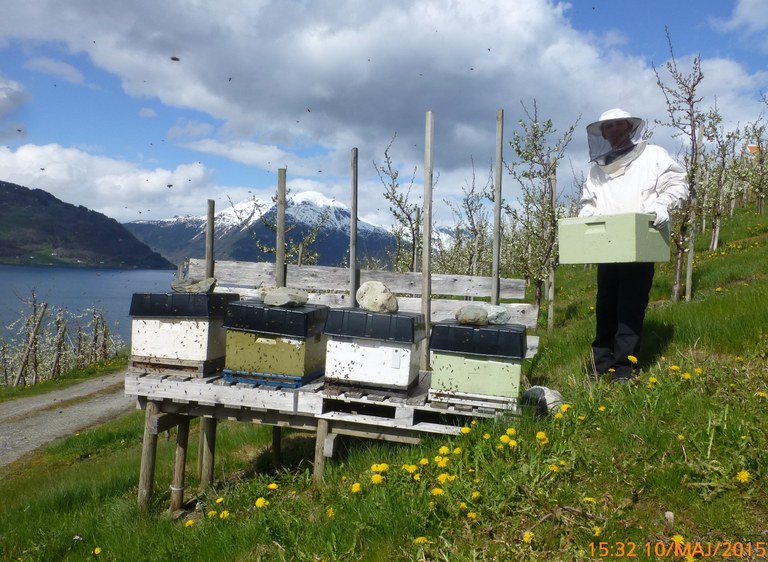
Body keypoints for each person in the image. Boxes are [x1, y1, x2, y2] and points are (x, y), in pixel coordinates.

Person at [578, 108, 688, 382]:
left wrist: (663, 203)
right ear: (602, 133)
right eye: (608, 127)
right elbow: (590, 200)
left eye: (618, 125)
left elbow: (676, 182)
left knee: (630, 307)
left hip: (640, 243)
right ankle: (600, 365)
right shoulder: (597, 169)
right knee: (605, 306)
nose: (613, 130)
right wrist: (587, 213)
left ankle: (625, 368)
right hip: (608, 245)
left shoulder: (653, 155)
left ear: (629, 127)